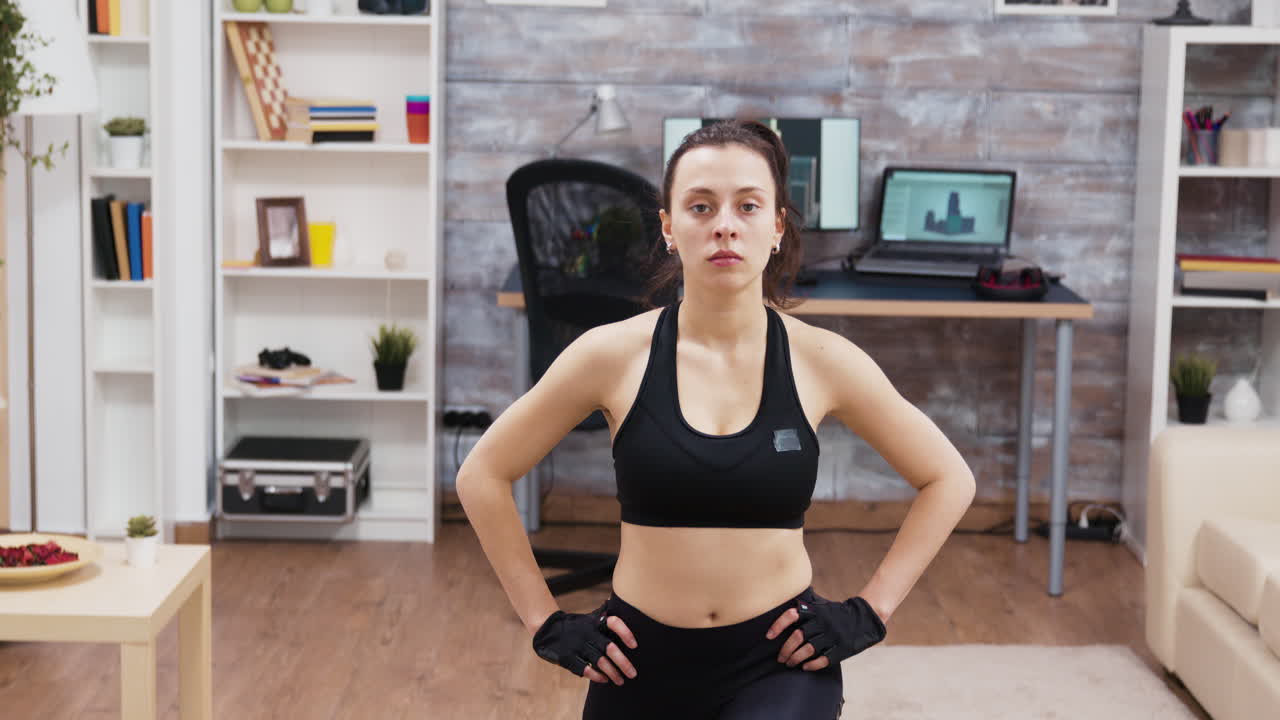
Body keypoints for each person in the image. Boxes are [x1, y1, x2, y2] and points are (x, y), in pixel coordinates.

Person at [456, 119, 976, 719]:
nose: (725, 223)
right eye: (700, 206)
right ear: (669, 228)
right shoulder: (610, 354)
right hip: (638, 659)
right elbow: (483, 475)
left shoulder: (823, 360)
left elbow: (948, 479)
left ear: (777, 225)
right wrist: (545, 623)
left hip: (777, 661)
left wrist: (869, 612)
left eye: (748, 205)